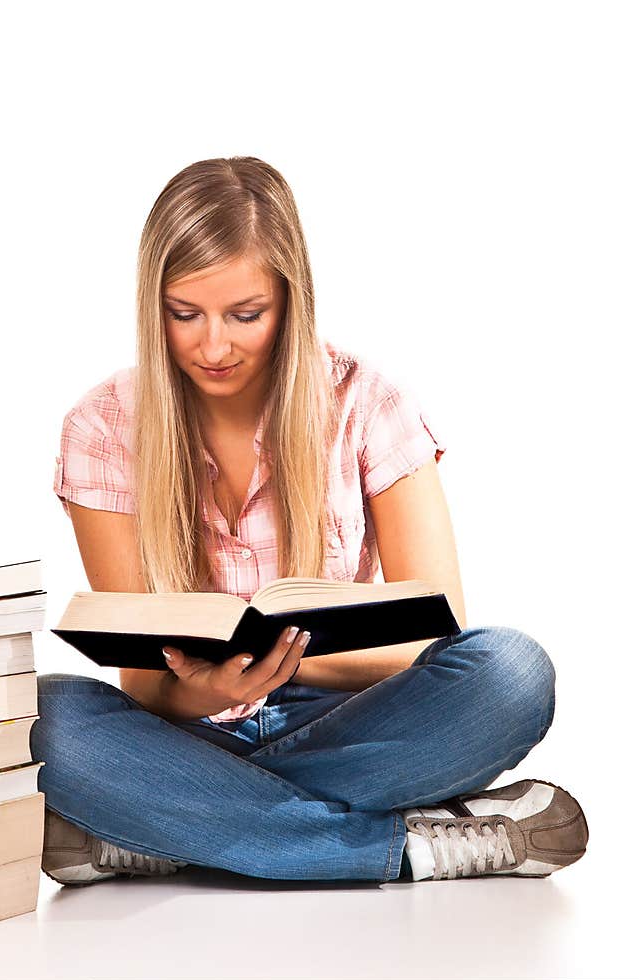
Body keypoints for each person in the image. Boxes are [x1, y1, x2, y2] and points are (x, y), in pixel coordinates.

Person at [31, 156, 588, 886]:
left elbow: (438, 632)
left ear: (290, 300)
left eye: (245, 314)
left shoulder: (369, 402)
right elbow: (143, 685)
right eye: (183, 313)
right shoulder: (102, 427)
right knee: (49, 721)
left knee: (511, 670)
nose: (213, 346)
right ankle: (409, 846)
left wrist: (282, 658)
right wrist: (211, 689)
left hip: (351, 723)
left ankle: (171, 826)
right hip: (187, 731)